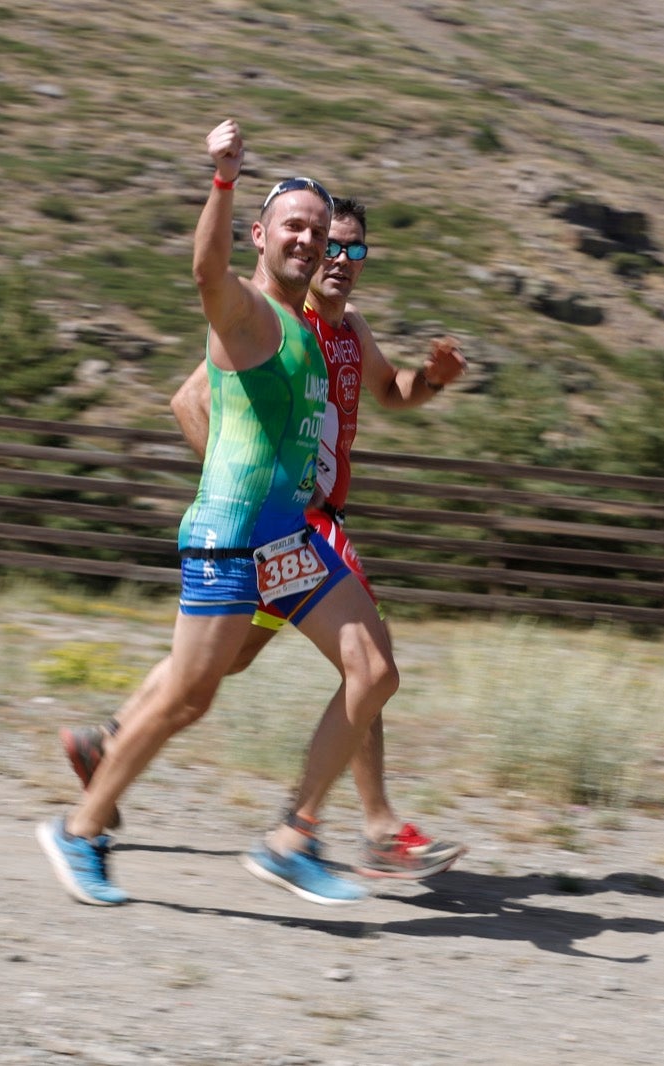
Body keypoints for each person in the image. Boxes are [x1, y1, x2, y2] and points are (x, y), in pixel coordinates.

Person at [37, 119, 397, 907]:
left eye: (317, 228)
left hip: (288, 541)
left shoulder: (308, 329)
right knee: (187, 698)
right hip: (232, 541)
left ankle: (291, 838)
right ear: (262, 237)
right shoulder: (249, 313)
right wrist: (223, 181)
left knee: (373, 672)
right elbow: (205, 271)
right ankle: (82, 829)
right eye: (291, 226)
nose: (306, 239)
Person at [61, 195, 470, 880]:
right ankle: (366, 829)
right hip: (289, 525)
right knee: (364, 662)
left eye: (354, 249)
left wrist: (430, 379)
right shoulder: (276, 325)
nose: (338, 258)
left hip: (303, 523)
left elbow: (391, 393)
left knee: (225, 665)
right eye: (327, 244)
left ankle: (106, 743)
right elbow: (191, 400)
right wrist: (251, 490)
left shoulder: (349, 332)